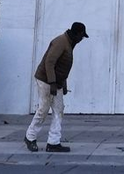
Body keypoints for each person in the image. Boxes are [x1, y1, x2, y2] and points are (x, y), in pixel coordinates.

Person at [24, 21, 88, 152]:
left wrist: (63, 84)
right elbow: (50, 62)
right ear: (78, 34)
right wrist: (52, 83)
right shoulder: (61, 42)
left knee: (59, 110)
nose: (82, 39)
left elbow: (62, 67)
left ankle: (53, 142)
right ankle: (30, 137)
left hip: (55, 82)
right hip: (45, 80)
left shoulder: (69, 43)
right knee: (43, 109)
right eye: (82, 36)